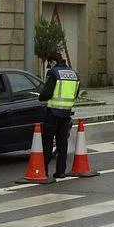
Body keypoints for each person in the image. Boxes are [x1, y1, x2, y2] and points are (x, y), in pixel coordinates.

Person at [38, 50, 80, 179]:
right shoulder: (74, 74)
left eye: (49, 64)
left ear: (53, 61)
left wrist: (41, 96)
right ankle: (61, 171)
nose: (49, 67)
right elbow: (76, 93)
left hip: (52, 112)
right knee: (62, 142)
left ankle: (44, 170)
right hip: (66, 113)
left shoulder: (54, 73)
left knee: (47, 142)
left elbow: (46, 94)